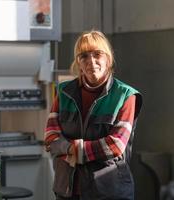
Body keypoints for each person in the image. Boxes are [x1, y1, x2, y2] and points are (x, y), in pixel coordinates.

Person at [44, 30, 142, 200]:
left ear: (108, 59)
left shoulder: (125, 96)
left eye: (98, 54)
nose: (91, 61)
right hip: (67, 190)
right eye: (84, 56)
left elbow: (115, 144)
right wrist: (73, 149)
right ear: (78, 63)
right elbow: (50, 138)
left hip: (108, 192)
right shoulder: (64, 91)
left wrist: (72, 150)